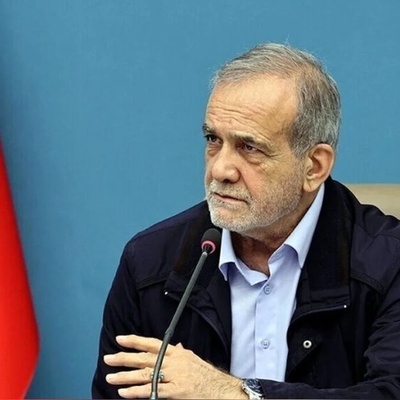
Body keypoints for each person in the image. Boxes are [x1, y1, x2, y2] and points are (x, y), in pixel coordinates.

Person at [92, 43, 400, 399]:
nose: (220, 169)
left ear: (314, 167)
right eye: (213, 140)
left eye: (249, 148)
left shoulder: (389, 265)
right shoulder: (149, 263)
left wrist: (234, 393)